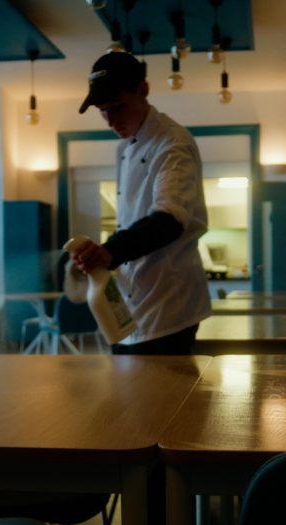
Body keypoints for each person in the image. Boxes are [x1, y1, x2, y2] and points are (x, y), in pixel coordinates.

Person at [74, 51, 211, 355]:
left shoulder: (172, 143)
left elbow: (168, 220)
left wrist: (110, 251)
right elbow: (134, 222)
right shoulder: (125, 147)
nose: (110, 120)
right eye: (102, 110)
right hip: (130, 306)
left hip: (169, 306)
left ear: (144, 90)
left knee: (161, 402)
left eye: (117, 107)